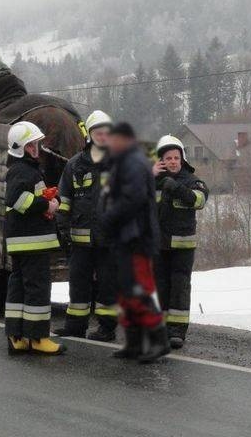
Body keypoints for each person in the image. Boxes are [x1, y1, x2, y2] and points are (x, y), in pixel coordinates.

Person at [101, 121, 169, 363]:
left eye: (113, 139)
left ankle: (159, 340)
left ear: (125, 140)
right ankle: (134, 342)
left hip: (136, 237)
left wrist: (108, 217)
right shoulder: (123, 162)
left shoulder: (134, 163)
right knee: (125, 292)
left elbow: (133, 199)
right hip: (124, 237)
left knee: (139, 289)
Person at [54, 110, 118, 341]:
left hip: (110, 240)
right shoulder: (74, 165)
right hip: (80, 240)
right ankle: (75, 326)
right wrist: (63, 230)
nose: (102, 136)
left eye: (106, 133)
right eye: (98, 132)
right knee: (78, 283)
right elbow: (64, 200)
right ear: (89, 135)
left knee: (108, 285)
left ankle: (107, 328)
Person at [4, 121, 65, 355]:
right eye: (33, 144)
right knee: (37, 288)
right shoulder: (22, 171)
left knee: (19, 288)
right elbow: (17, 200)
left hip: (22, 242)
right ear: (25, 148)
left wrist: (47, 200)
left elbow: (25, 199)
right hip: (32, 241)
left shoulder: (24, 170)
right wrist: (45, 205)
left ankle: (17, 336)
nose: (37, 147)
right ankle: (38, 338)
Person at [153, 135, 209, 349]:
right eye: (168, 158)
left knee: (179, 287)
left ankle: (177, 331)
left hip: (182, 247)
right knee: (161, 287)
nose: (173, 161)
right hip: (159, 246)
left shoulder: (191, 180)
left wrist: (176, 188)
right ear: (161, 160)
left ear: (182, 159)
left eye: (176, 157)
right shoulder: (153, 181)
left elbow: (200, 200)